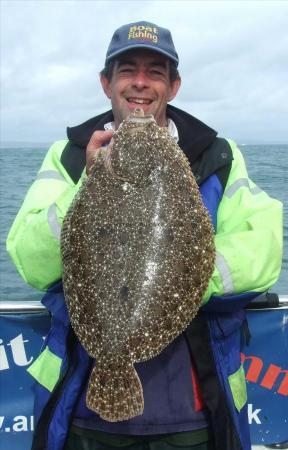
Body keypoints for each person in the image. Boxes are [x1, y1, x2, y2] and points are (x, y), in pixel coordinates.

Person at [6, 21, 283, 450]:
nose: (140, 82)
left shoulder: (218, 156)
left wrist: (178, 282)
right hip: (82, 408)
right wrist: (88, 183)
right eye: (127, 70)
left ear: (173, 86)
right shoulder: (72, 157)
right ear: (106, 83)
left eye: (155, 71)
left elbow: (264, 249)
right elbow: (30, 260)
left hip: (193, 409)